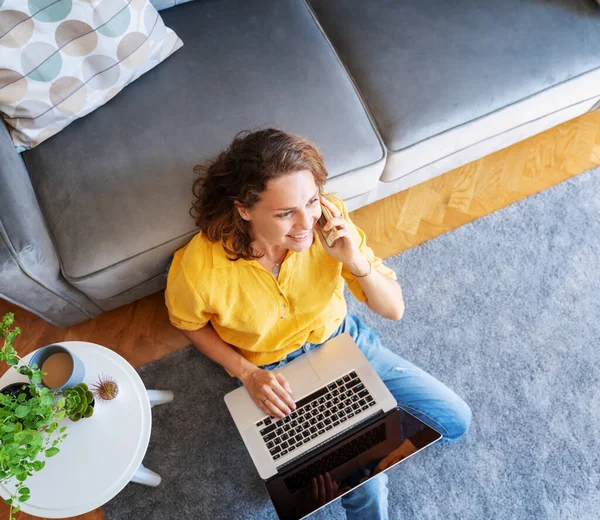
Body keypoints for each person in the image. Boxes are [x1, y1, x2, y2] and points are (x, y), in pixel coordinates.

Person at [165, 128, 472, 520]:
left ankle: (349, 447)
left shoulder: (329, 221)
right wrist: (247, 373)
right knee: (367, 495)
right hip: (275, 372)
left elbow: (393, 309)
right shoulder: (198, 268)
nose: (306, 222)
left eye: (311, 201)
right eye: (284, 213)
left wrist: (355, 262)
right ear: (244, 209)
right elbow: (190, 325)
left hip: (344, 341)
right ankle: (343, 453)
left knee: (454, 420)